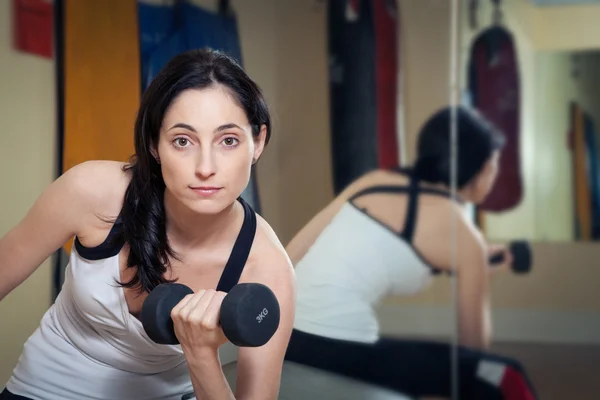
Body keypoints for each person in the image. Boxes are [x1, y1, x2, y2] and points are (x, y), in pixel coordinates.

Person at [0, 48, 295, 400]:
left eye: (228, 141)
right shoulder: (92, 192)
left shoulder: (267, 268)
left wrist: (200, 354)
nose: (205, 167)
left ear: (257, 142)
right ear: (155, 145)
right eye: (183, 141)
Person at [283, 106, 537, 400]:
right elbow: (473, 349)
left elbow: (293, 252)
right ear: (477, 169)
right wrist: (479, 272)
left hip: (290, 338)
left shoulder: (374, 182)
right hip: (334, 350)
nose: (494, 175)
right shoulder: (465, 237)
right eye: (493, 165)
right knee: (504, 376)